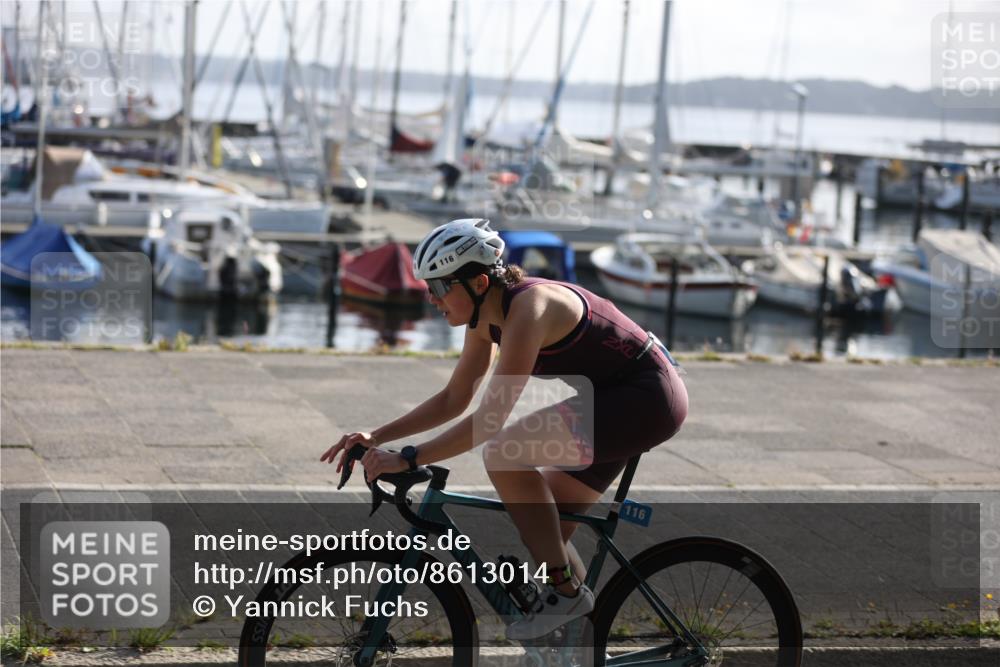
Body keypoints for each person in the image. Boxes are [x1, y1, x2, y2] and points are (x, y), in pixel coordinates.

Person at [321, 218, 688, 639]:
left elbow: (489, 420)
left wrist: (409, 457)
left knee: (503, 453)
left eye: (439, 287)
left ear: (478, 282)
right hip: (609, 400)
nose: (431, 299)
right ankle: (576, 642)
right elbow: (454, 399)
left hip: (647, 398)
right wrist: (378, 436)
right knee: (544, 529)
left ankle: (568, 593)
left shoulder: (530, 310)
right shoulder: (484, 320)